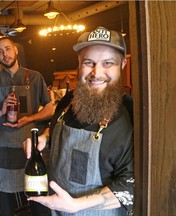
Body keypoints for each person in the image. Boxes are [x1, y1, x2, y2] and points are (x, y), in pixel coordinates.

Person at [23, 26, 134, 216]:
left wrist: (77, 205)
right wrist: (44, 137)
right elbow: (57, 128)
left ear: (123, 64)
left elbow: (130, 186)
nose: (97, 73)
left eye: (108, 63)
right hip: (57, 211)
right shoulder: (69, 101)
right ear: (79, 63)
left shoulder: (131, 117)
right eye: (89, 62)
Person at [0, 37, 54, 216]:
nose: (5, 54)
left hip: (30, 146)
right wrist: (0, 111)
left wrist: (28, 119)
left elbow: (50, 109)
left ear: (16, 50)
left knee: (38, 194)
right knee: (5, 197)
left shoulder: (35, 77)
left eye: (8, 49)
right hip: (3, 146)